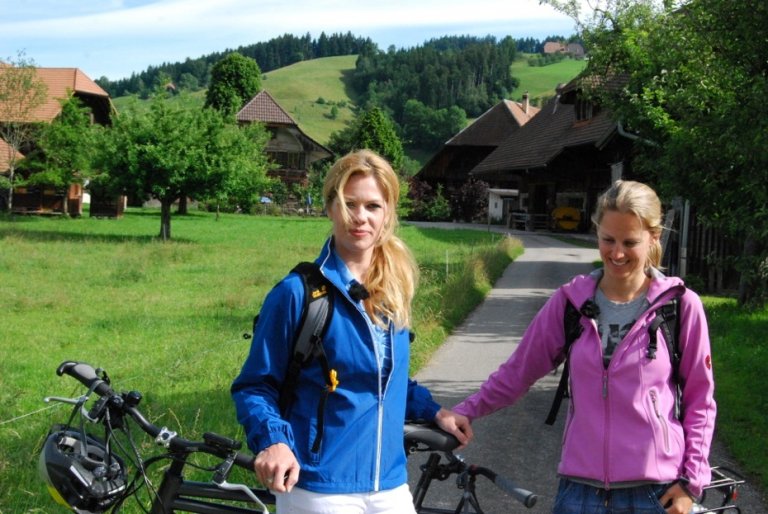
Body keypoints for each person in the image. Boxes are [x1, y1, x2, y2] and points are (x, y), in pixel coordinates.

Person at [453, 180, 716, 514]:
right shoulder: (571, 303)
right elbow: (518, 371)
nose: (616, 253)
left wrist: (691, 483)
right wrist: (466, 410)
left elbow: (700, 402)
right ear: (596, 233)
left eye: (629, 242)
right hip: (579, 493)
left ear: (654, 237)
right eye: (608, 239)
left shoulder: (678, 308)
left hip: (656, 493)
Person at [231, 149, 472, 514]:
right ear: (330, 207)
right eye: (349, 204)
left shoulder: (392, 290)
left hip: (389, 485)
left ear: (388, 212)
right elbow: (255, 385)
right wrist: (273, 442)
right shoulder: (298, 294)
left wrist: (434, 411)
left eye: (373, 206)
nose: (360, 217)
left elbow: (385, 380)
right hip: (319, 488)